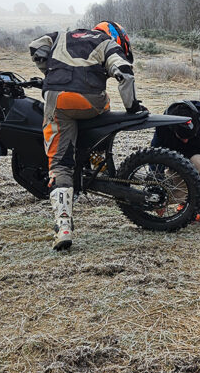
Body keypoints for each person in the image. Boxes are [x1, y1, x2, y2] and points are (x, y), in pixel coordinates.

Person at [28, 21, 146, 251]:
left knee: (59, 164)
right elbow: (124, 72)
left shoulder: (60, 35)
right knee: (105, 104)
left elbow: (36, 48)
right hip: (90, 101)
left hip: (57, 100)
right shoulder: (106, 42)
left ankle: (63, 227)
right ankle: (96, 156)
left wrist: (50, 72)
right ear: (116, 35)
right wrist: (132, 107)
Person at [151, 100, 200, 208]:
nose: (185, 141)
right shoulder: (164, 126)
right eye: (181, 137)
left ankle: (190, 205)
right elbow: (154, 155)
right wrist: (157, 184)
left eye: (189, 137)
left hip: (196, 163)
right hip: (174, 164)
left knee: (198, 161)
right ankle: (161, 200)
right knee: (157, 190)